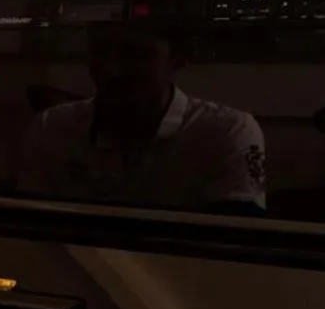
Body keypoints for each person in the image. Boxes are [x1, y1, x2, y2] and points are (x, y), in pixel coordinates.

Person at [18, 22, 267, 214]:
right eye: (101, 52)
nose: (111, 69)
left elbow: (234, 237)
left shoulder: (226, 131)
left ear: (177, 60)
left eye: (137, 55)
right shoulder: (50, 125)